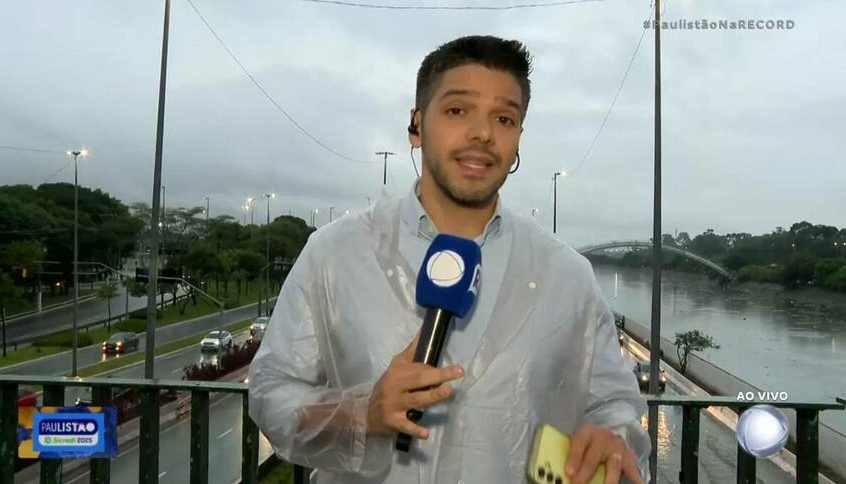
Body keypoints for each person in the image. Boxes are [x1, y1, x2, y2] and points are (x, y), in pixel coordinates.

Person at [249, 35, 651, 484]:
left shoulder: (567, 275)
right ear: (416, 125)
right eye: (458, 110)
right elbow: (272, 395)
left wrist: (614, 437)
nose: (483, 133)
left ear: (519, 137)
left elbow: (616, 406)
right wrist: (362, 414)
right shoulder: (335, 254)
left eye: (504, 117)